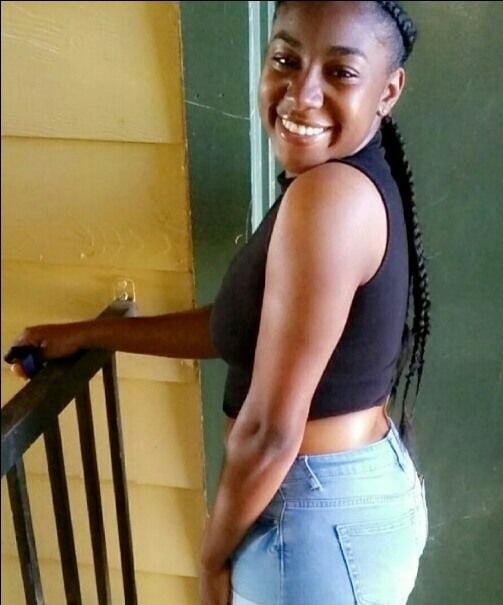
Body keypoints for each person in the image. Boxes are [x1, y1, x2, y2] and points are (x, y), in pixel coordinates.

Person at [7, 1, 432, 603]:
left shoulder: (329, 200)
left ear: (388, 91)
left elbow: (269, 432)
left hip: (311, 522)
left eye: (340, 72)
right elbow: (236, 331)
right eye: (285, 60)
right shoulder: (336, 183)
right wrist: (88, 334)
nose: (301, 94)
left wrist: (210, 559)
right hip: (331, 508)